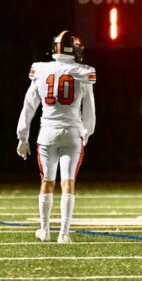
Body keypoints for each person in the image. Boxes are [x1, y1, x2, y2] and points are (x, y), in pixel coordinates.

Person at [16, 31, 96, 243]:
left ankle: (44, 230)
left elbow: (29, 105)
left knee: (47, 182)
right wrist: (86, 131)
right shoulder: (83, 71)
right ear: (74, 49)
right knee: (68, 183)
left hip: (47, 133)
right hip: (72, 132)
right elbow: (89, 108)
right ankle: (64, 233)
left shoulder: (41, 69)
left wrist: (22, 136)